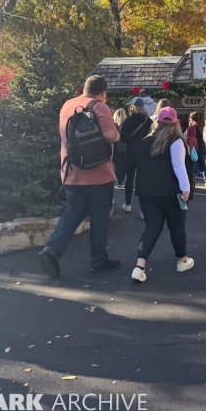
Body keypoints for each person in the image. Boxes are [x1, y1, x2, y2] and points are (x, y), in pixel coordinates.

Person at [37, 75, 120, 277]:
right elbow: (110, 136)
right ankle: (99, 260)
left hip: (71, 173)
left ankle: (52, 251)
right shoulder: (100, 107)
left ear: (84, 88)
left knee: (73, 212)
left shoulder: (67, 105)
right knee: (99, 217)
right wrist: (117, 133)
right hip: (99, 175)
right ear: (103, 92)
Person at [131, 107, 195, 282]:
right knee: (176, 227)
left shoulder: (146, 141)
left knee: (151, 227)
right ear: (175, 123)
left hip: (147, 192)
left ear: (157, 121)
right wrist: (186, 188)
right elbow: (178, 165)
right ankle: (182, 260)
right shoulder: (176, 141)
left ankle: (139, 266)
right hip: (170, 192)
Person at [120, 97, 153, 217]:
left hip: (131, 152)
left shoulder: (128, 120)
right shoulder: (148, 121)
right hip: (144, 153)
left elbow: (123, 137)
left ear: (133, 107)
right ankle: (143, 210)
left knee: (129, 178)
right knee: (142, 179)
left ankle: (128, 204)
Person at [187, 111, 206, 187]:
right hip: (202, 146)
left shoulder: (192, 127)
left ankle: (193, 179)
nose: (189, 119)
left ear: (192, 118)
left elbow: (190, 138)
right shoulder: (200, 126)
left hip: (195, 147)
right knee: (202, 163)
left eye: (190, 117)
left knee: (192, 164)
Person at [113, 108, 128, 191]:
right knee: (123, 165)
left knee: (118, 165)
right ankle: (122, 182)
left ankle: (120, 182)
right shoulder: (126, 124)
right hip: (125, 146)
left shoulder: (115, 125)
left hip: (117, 146)